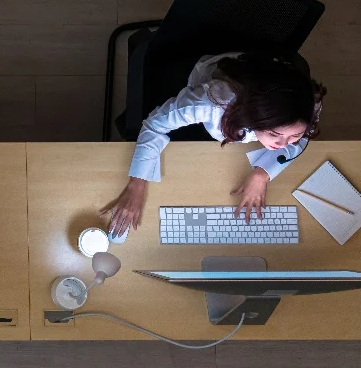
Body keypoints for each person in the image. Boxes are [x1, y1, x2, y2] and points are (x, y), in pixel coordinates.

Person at [101, 51, 326, 237]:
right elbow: (154, 125)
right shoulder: (211, 103)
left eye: (293, 135)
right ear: (253, 117)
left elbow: (302, 137)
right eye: (274, 133)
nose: (284, 144)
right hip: (216, 70)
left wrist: (262, 174)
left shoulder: (308, 102)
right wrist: (136, 186)